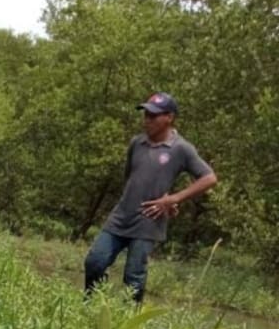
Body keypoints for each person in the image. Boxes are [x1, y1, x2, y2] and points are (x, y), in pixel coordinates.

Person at [83, 92, 217, 303]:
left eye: (153, 116)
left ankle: (128, 323)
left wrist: (174, 199)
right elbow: (130, 178)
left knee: (133, 277)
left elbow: (209, 178)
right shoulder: (136, 143)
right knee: (95, 261)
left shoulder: (181, 148)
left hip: (148, 221)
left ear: (169, 117)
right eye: (146, 115)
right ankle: (91, 306)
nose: (147, 120)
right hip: (120, 216)